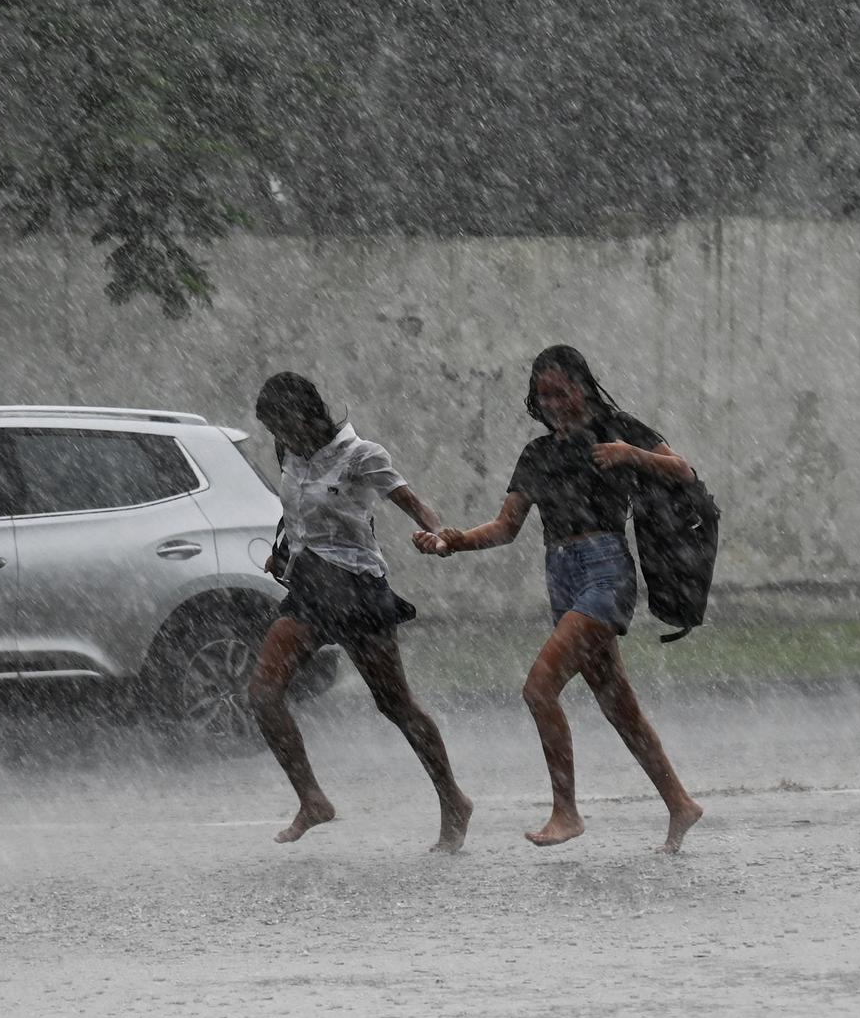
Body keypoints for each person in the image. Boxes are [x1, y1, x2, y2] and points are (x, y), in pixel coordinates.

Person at [413, 345, 706, 853]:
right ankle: (680, 803)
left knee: (539, 688)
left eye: (559, 390)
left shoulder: (618, 428)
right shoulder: (538, 453)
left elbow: (683, 470)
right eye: (542, 394)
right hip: (562, 576)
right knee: (620, 707)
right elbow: (506, 528)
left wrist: (631, 454)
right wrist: (453, 541)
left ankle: (566, 811)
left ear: (582, 386)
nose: (551, 402)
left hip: (605, 570)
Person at [248, 371, 474, 852]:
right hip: (310, 587)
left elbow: (413, 503)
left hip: (356, 588)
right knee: (264, 692)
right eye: (273, 429)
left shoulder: (360, 455)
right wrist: (282, 553)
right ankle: (312, 800)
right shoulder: (289, 453)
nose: (279, 437)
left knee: (395, 704)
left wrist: (437, 535)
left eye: (283, 425)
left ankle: (453, 799)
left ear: (309, 413)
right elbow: (294, 514)